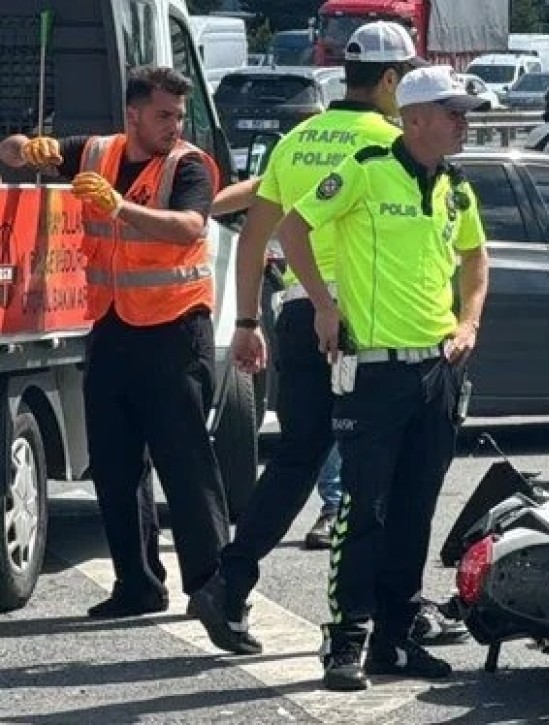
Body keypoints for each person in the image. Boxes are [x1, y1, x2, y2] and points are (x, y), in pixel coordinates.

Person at [189, 21, 452, 656]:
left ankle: (229, 581)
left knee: (297, 457)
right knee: (381, 474)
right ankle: (390, 617)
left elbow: (254, 235)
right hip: (365, 325)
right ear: (390, 81)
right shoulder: (394, 144)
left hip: (297, 316)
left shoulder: (296, 139)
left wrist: (248, 321)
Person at [275, 64, 489, 692]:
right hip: (375, 370)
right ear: (414, 117)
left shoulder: (457, 186)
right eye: (453, 112)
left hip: (438, 369)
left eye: (465, 112)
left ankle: (395, 639)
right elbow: (293, 226)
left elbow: (477, 257)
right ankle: (345, 640)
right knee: (361, 508)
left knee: (416, 510)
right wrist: (322, 302)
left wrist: (469, 322)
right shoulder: (367, 169)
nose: (464, 123)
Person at [0, 66, 229, 617]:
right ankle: (137, 584)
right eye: (163, 115)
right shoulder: (100, 152)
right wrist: (30, 149)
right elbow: (7, 151)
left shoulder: (188, 165)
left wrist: (119, 207)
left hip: (174, 332)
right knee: (115, 462)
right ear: (133, 114)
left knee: (185, 465)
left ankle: (215, 587)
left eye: (178, 115)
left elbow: (190, 227)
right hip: (113, 328)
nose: (174, 125)